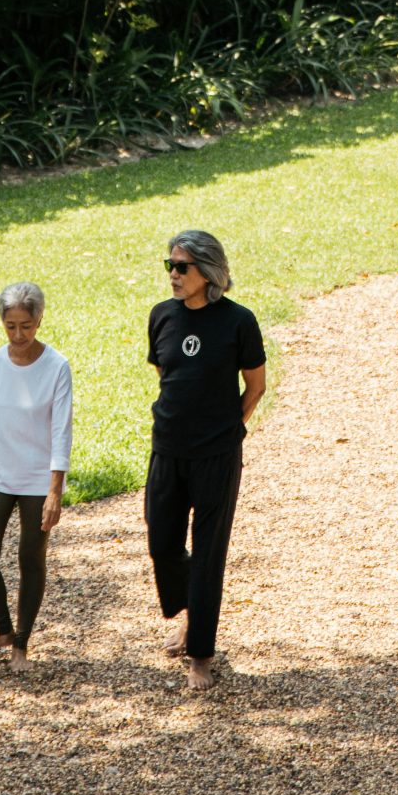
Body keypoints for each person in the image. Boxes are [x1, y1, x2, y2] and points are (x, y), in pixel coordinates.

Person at [144, 228, 266, 693]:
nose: (173, 275)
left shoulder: (238, 322)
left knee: (209, 551)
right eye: (169, 266)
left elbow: (254, 387)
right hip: (167, 449)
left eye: (182, 267)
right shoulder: (161, 317)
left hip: (216, 455)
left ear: (208, 272)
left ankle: (201, 654)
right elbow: (166, 374)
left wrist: (226, 429)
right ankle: (189, 613)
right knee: (162, 542)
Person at [0, 281, 73, 672]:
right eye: (10, 326)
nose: (18, 335)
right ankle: (2, 631)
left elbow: (61, 432)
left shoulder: (57, 367)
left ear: (39, 320)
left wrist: (54, 491)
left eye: (26, 326)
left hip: (36, 481)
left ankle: (22, 646)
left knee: (31, 557)